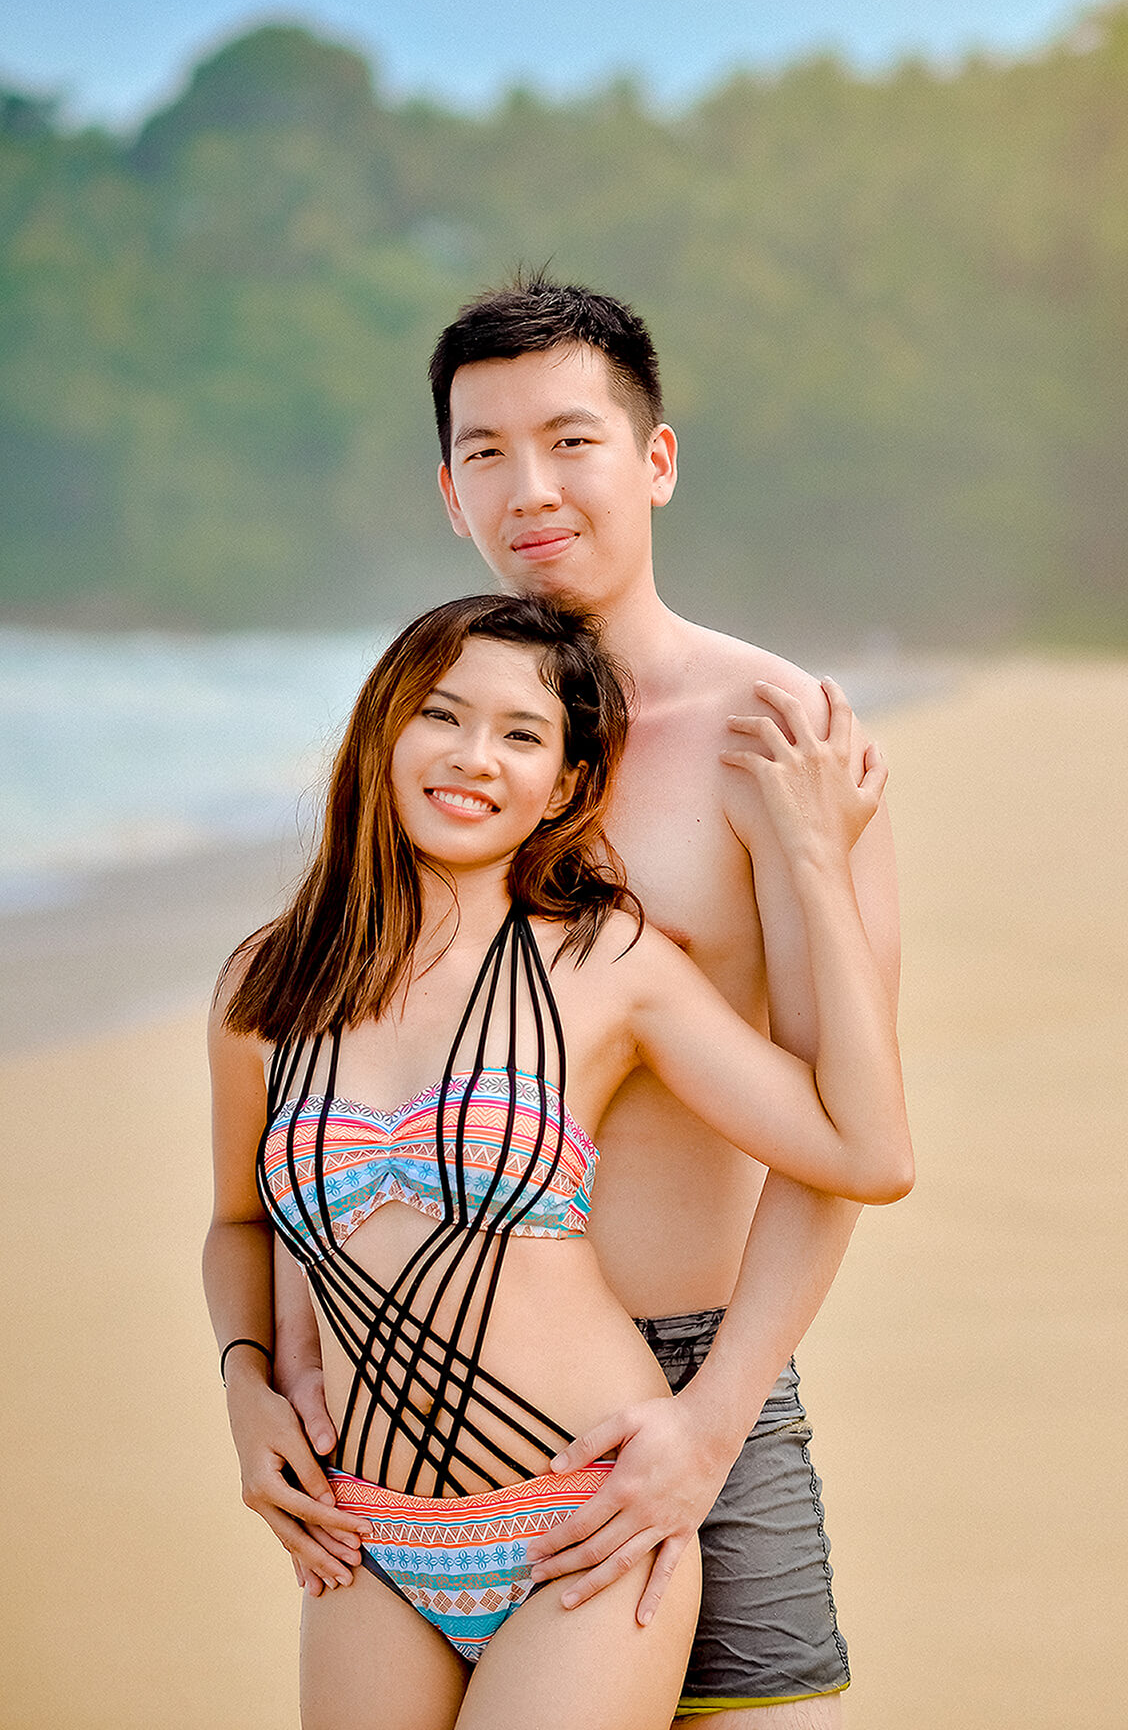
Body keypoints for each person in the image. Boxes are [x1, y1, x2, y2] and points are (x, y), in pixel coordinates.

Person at [243, 277, 902, 1723]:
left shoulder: (774, 737)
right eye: (485, 451)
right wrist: (268, 1361)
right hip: (407, 1412)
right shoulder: (450, 743)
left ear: (654, 460)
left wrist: (711, 1425)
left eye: (571, 439)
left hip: (690, 1373)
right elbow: (322, 1070)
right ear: (446, 489)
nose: (528, 487)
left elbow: (847, 1135)